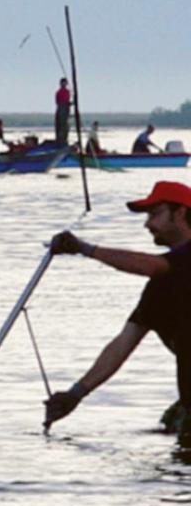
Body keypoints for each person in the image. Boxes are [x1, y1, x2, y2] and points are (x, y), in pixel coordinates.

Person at [44, 181, 191, 433]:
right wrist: (75, 394)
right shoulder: (160, 287)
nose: (147, 224)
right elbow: (123, 344)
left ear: (180, 213)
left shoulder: (172, 264)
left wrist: (85, 249)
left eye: (155, 214)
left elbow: (151, 265)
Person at [54, 77, 72, 145]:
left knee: (65, 125)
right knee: (61, 125)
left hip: (65, 108)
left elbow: (67, 100)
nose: (64, 84)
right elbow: (58, 101)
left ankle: (64, 140)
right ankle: (60, 140)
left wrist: (69, 104)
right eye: (63, 82)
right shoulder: (59, 92)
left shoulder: (67, 91)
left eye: (65, 83)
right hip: (61, 108)